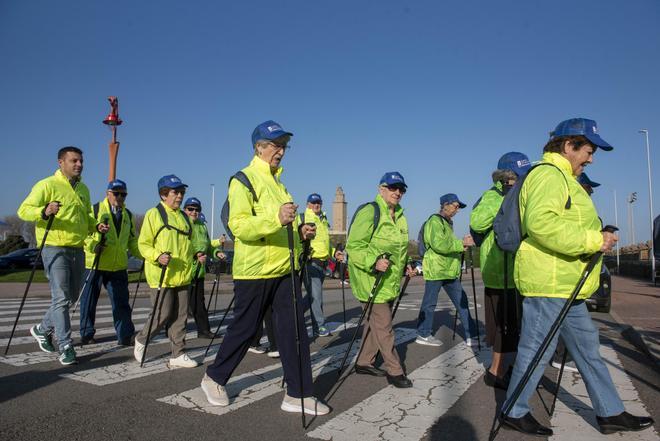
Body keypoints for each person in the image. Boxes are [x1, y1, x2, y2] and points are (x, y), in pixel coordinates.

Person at [501, 118, 654, 436]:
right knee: (536, 348)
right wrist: (594, 240)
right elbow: (542, 224)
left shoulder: (566, 178)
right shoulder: (549, 175)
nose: (592, 158)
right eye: (588, 150)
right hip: (550, 282)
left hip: (567, 284)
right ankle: (513, 411)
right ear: (568, 145)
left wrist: (597, 235)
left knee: (587, 349)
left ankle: (610, 412)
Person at [200, 120, 329, 416]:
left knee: (294, 331)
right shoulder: (242, 179)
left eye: (284, 145)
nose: (280, 151)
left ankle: (298, 393)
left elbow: (284, 224)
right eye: (275, 145)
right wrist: (277, 219)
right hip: (255, 270)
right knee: (245, 330)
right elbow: (239, 226)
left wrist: (300, 232)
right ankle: (214, 377)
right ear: (259, 147)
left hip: (284, 270)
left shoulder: (279, 184)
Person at [18, 146, 109, 365]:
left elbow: (85, 219)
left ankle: (42, 329)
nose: (79, 165)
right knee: (60, 297)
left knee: (70, 298)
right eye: (74, 161)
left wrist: (96, 226)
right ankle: (66, 345)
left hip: (77, 248)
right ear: (61, 162)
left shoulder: (83, 190)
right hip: (54, 246)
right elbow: (23, 210)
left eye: (81, 161)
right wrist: (44, 211)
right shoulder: (47, 185)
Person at [346, 172, 416, 388]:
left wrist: (406, 265)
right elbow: (354, 246)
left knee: (375, 325)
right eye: (393, 187)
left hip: (390, 282)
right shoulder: (370, 211)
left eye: (401, 189)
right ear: (381, 189)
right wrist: (373, 262)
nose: (397, 192)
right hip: (370, 280)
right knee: (384, 327)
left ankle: (364, 361)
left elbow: (399, 249)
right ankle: (395, 371)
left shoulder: (401, 216)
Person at [470, 152, 531, 389]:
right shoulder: (492, 196)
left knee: (514, 325)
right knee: (503, 326)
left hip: (517, 271)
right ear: (506, 177)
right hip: (499, 270)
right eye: (518, 176)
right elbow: (477, 222)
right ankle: (496, 372)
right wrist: (504, 202)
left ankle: (507, 369)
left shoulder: (520, 194)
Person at [133, 174, 199, 368]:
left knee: (180, 317)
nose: (179, 195)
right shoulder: (154, 214)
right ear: (163, 194)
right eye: (175, 192)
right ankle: (142, 340)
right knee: (162, 315)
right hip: (162, 275)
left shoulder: (185, 218)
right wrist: (157, 256)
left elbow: (189, 244)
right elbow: (143, 244)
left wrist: (198, 254)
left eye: (181, 192)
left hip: (183, 275)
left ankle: (178, 353)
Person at [79, 179, 141, 346]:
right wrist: (94, 246)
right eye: (116, 193)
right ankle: (87, 333)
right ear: (108, 193)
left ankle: (125, 335)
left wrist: (146, 255)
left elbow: (132, 241)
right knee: (89, 300)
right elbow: (84, 233)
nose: (120, 197)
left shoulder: (128, 215)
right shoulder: (96, 209)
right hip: (95, 263)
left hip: (118, 265)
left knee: (121, 302)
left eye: (123, 194)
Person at [416, 193, 477, 347]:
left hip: (448, 270)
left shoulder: (447, 223)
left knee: (462, 301)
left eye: (458, 208)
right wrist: (460, 244)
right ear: (446, 204)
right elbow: (438, 244)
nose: (457, 210)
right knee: (430, 303)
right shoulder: (435, 221)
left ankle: (472, 335)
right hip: (436, 269)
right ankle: (423, 333)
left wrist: (461, 244)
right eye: (456, 206)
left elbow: (447, 243)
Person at [301, 193, 343, 337]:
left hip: (323, 263)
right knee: (316, 296)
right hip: (310, 263)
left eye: (319, 202)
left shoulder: (323, 219)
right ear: (308, 204)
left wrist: (334, 252)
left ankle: (292, 316)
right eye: (313, 202)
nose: (316, 205)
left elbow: (325, 243)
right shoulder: (305, 218)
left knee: (312, 297)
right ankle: (319, 326)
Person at [183, 197, 224, 339]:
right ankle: (172, 331)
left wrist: (216, 252)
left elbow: (208, 246)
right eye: (190, 209)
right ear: (185, 210)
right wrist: (196, 255)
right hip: (184, 272)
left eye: (197, 209)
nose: (194, 212)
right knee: (180, 306)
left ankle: (204, 330)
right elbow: (181, 246)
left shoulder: (202, 226)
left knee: (199, 303)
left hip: (198, 271)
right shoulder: (182, 224)